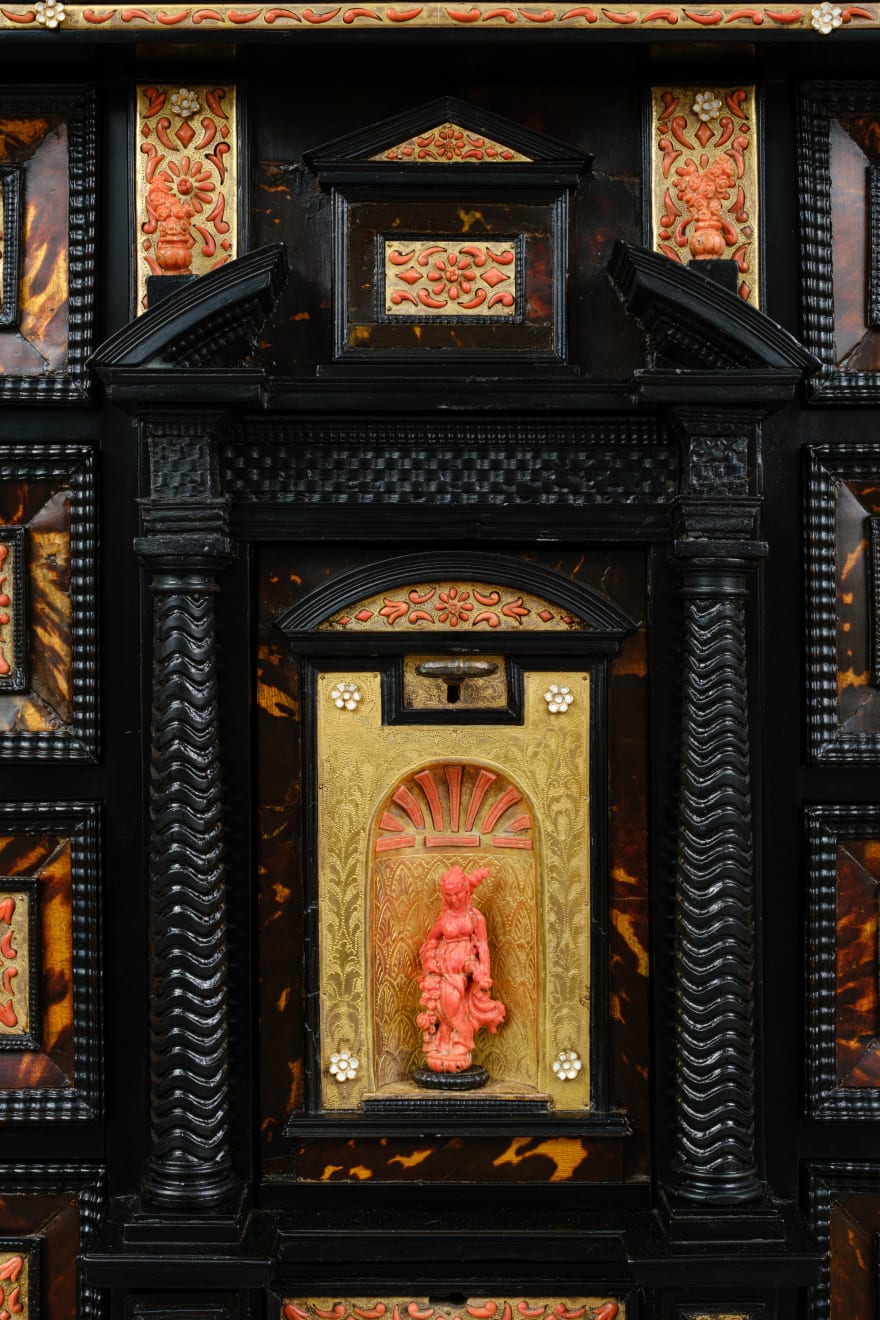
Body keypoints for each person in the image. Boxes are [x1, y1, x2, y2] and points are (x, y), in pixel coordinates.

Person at [416, 864, 506, 1074]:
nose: (454, 899)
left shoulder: (475, 917)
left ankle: (464, 1042)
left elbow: (483, 945)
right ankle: (446, 1042)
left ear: (466, 892)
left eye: (458, 894)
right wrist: (430, 961)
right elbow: (431, 941)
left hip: (461, 972)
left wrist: (485, 971)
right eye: (449, 895)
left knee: (453, 1007)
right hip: (443, 971)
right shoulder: (444, 918)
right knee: (444, 1009)